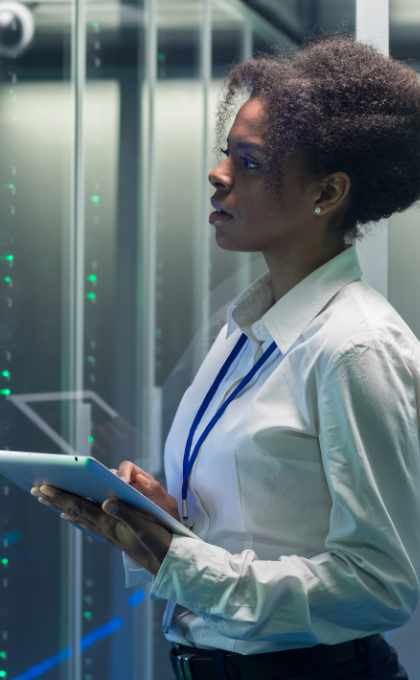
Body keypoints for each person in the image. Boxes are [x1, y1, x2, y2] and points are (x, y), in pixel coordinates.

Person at [31, 35, 420, 680]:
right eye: (225, 155)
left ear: (327, 193)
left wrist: (180, 564)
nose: (218, 175)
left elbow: (379, 586)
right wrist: (169, 522)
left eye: (252, 163)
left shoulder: (356, 347)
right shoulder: (248, 326)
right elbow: (265, 525)